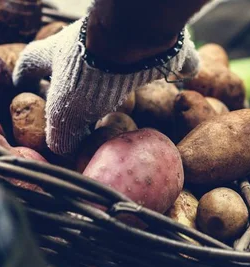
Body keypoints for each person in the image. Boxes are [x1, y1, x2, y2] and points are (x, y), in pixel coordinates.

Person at [12, 0, 214, 157]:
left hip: (100, 62)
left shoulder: (76, 93)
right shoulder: (74, 95)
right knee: (26, 65)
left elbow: (62, 147)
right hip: (93, 61)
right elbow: (61, 146)